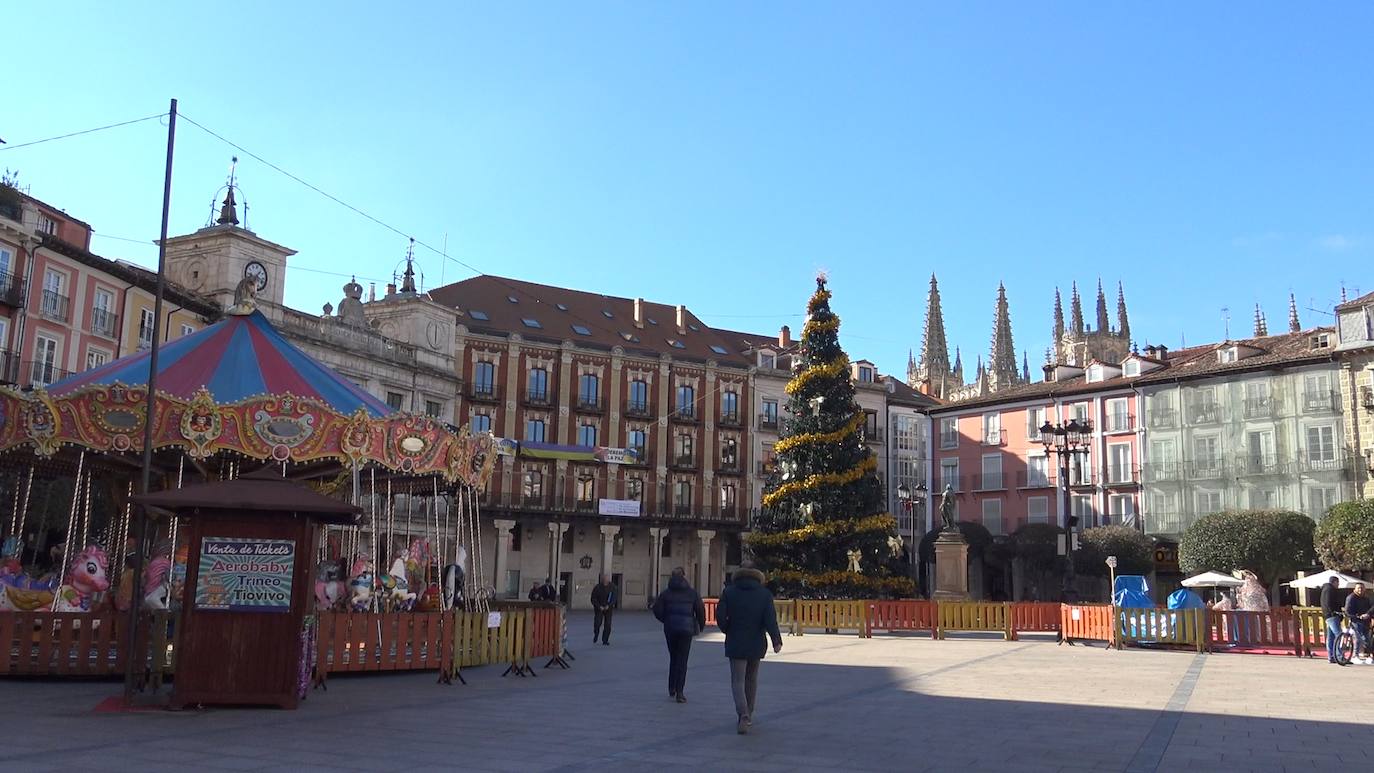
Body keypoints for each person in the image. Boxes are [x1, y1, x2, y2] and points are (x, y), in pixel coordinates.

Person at [716, 561, 782, 735]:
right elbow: (770, 620)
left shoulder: (729, 592)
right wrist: (776, 640)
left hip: (736, 641)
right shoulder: (764, 594)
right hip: (756, 642)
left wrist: (727, 629)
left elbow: (721, 616)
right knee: (751, 679)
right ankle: (749, 714)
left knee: (737, 680)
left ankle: (742, 714)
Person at [652, 567, 706, 703]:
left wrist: (666, 619)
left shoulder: (665, 594)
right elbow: (700, 610)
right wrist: (701, 625)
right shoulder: (692, 593)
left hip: (670, 629)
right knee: (682, 660)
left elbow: (657, 609)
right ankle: (680, 692)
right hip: (686, 629)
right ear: (684, 576)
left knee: (674, 657)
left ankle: (672, 687)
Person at [1346, 582, 1374, 664]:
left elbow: (1371, 607)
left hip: (1365, 621)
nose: (1360, 590)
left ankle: (1369, 656)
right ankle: (1355, 656)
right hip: (1356, 621)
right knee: (1357, 638)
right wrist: (1356, 616)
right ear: (1354, 589)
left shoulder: (1366, 598)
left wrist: (1368, 614)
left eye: (1362, 588)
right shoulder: (1351, 598)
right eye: (1358, 588)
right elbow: (1348, 611)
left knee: (1367, 639)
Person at [1321, 575, 1344, 665]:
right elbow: (1329, 603)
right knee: (1338, 635)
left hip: (1328, 615)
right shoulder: (1330, 590)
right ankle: (1339, 656)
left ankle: (1331, 656)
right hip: (1332, 615)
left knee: (1331, 637)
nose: (1338, 585)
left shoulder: (1325, 589)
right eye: (1338, 583)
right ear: (1334, 582)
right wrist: (1335, 612)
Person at [591, 574, 615, 645]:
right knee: (597, 623)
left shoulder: (612, 587)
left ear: (608, 580)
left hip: (608, 608)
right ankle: (596, 634)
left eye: (606, 580)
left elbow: (614, 598)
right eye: (604, 580)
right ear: (602, 580)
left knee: (608, 625)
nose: (605, 581)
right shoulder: (597, 587)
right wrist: (599, 606)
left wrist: (609, 605)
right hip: (599, 608)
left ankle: (605, 640)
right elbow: (593, 599)